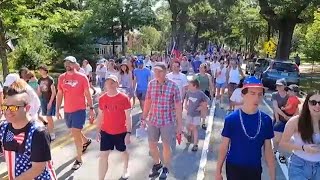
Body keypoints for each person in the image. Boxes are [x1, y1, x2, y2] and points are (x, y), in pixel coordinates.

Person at [215, 76, 275, 180]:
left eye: (260, 94)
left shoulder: (266, 120)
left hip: (254, 168)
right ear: (243, 94)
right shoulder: (232, 119)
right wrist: (218, 171)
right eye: (252, 93)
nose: (256, 98)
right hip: (234, 167)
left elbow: (268, 150)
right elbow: (224, 146)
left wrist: (273, 176)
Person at [0, 87, 56, 179]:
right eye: (5, 107)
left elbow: (37, 169)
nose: (8, 111)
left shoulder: (38, 132)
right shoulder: (4, 128)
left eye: (14, 107)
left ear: (27, 108)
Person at [141, 62, 182, 179]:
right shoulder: (151, 84)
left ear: (165, 72)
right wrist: (144, 117)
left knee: (166, 146)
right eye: (155, 71)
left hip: (167, 121)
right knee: (152, 144)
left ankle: (166, 167)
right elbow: (148, 101)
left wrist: (179, 125)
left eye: (160, 71)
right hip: (153, 120)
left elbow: (178, 106)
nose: (157, 74)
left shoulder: (173, 86)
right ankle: (157, 163)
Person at [56, 56, 95, 170]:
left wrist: (92, 109)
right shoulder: (62, 77)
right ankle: (86, 141)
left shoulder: (82, 77)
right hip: (67, 110)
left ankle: (79, 159)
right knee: (75, 132)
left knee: (75, 133)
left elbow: (87, 93)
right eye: (66, 63)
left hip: (79, 109)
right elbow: (59, 94)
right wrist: (58, 109)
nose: (68, 64)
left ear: (75, 64)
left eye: (70, 63)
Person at [96, 75, 132, 180]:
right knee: (103, 155)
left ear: (117, 84)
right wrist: (98, 131)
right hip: (106, 132)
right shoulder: (102, 99)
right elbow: (100, 115)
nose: (109, 85)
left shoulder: (124, 98)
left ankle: (126, 168)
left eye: (112, 83)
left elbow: (128, 117)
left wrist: (128, 133)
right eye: (107, 83)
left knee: (123, 152)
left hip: (121, 132)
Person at [280, 90, 320, 180]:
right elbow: (283, 143)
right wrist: (303, 148)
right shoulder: (295, 121)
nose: (317, 106)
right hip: (299, 165)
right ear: (307, 103)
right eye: (313, 102)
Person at [184, 79, 209, 152]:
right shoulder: (188, 92)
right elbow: (186, 98)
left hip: (196, 115)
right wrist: (185, 105)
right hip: (189, 113)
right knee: (188, 125)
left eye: (190, 85)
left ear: (195, 86)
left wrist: (202, 107)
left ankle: (195, 144)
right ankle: (189, 133)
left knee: (195, 128)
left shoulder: (200, 93)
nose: (188, 86)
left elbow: (207, 100)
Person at [272, 78, 289, 163]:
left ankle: (282, 155)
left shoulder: (289, 95)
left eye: (280, 85)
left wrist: (290, 118)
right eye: (277, 85)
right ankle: (274, 151)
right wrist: (284, 116)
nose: (278, 87)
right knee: (276, 139)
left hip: (288, 121)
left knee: (284, 139)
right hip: (278, 119)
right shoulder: (275, 95)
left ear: (284, 86)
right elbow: (276, 108)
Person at [38, 65, 57, 140]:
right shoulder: (40, 80)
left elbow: (53, 92)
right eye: (39, 70)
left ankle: (52, 133)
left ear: (45, 70)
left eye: (41, 70)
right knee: (46, 116)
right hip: (43, 100)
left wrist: (50, 102)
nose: (40, 71)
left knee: (49, 117)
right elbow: (39, 91)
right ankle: (49, 132)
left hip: (49, 99)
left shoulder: (50, 79)